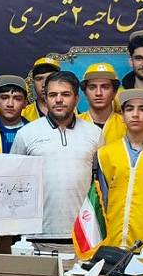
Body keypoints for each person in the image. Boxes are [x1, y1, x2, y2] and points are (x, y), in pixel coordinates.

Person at [11, 71, 103, 240]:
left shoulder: (95, 134)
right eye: (53, 95)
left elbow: (101, 187)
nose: (59, 100)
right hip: (35, 236)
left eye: (65, 94)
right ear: (45, 99)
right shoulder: (26, 133)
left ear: (77, 98)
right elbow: (13, 186)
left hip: (83, 236)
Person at [97, 89, 143, 249]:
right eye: (129, 109)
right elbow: (102, 202)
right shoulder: (105, 153)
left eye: (142, 109)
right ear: (122, 116)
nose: (135, 114)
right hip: (112, 242)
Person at [78, 62, 126, 145]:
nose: (98, 93)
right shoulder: (74, 123)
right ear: (85, 93)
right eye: (92, 87)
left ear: (114, 92)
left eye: (105, 87)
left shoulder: (127, 124)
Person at [0, 75, 29, 154]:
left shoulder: (33, 131)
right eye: (4, 97)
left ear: (25, 103)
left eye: (17, 99)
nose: (10, 104)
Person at [20, 56, 59, 121]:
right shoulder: (23, 115)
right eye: (39, 79)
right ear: (33, 83)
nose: (44, 84)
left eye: (50, 78)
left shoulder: (71, 111)